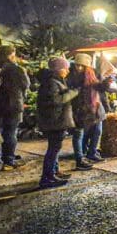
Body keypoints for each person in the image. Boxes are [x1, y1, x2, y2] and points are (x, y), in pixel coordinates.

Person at [37, 57, 79, 189]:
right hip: (55, 121)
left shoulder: (55, 81)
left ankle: (54, 172)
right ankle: (47, 177)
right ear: (59, 69)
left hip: (56, 121)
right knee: (53, 150)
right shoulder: (52, 82)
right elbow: (56, 100)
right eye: (65, 68)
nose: (67, 71)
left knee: (55, 149)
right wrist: (72, 93)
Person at [0, 45, 30, 169]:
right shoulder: (17, 69)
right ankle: (8, 159)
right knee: (11, 132)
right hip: (14, 105)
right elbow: (26, 85)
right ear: (12, 55)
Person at [68, 53, 108, 169]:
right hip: (80, 109)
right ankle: (80, 157)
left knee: (97, 131)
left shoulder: (93, 74)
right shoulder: (72, 76)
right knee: (80, 134)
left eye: (82, 66)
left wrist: (105, 84)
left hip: (95, 107)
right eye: (77, 65)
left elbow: (100, 88)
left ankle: (92, 152)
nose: (79, 68)